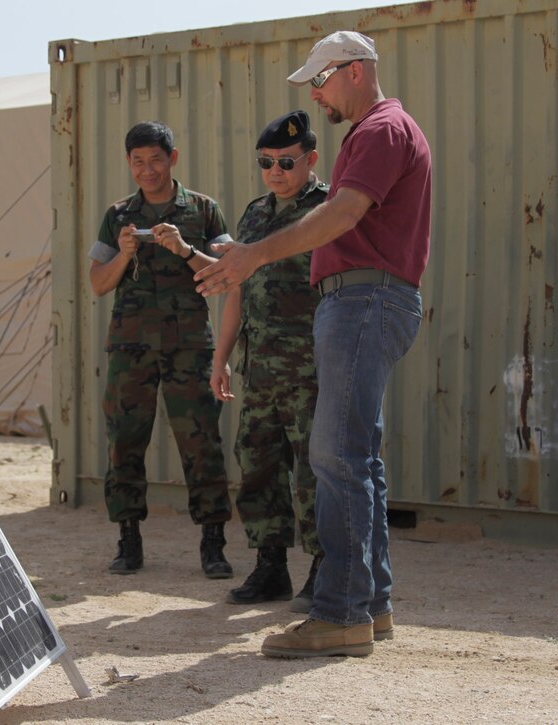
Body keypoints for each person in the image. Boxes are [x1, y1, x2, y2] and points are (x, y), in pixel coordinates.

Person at [195, 31, 431, 658]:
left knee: (337, 458)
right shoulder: (382, 129)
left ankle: (342, 612)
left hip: (362, 301)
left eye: (320, 80)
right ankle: (370, 606)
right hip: (367, 301)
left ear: (353, 71)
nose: (315, 93)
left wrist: (255, 254)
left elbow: (342, 214)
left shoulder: (379, 130)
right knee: (359, 459)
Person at [89, 121, 234, 578]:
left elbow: (228, 273)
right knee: (125, 442)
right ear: (128, 163)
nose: (146, 170)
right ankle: (128, 540)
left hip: (188, 346)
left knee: (201, 444)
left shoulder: (203, 210)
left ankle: (213, 543)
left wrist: (185, 248)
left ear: (172, 159)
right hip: (130, 349)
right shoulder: (118, 215)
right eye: (137, 162)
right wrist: (125, 253)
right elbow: (97, 283)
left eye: (155, 160)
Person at [211, 110, 327, 610]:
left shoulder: (328, 209)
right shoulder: (255, 214)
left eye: (286, 161)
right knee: (257, 464)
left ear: (311, 160)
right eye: (266, 162)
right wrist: (221, 358)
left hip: (311, 368)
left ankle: (325, 568)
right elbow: (236, 288)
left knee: (313, 471)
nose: (276, 171)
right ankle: (270, 567)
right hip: (260, 369)